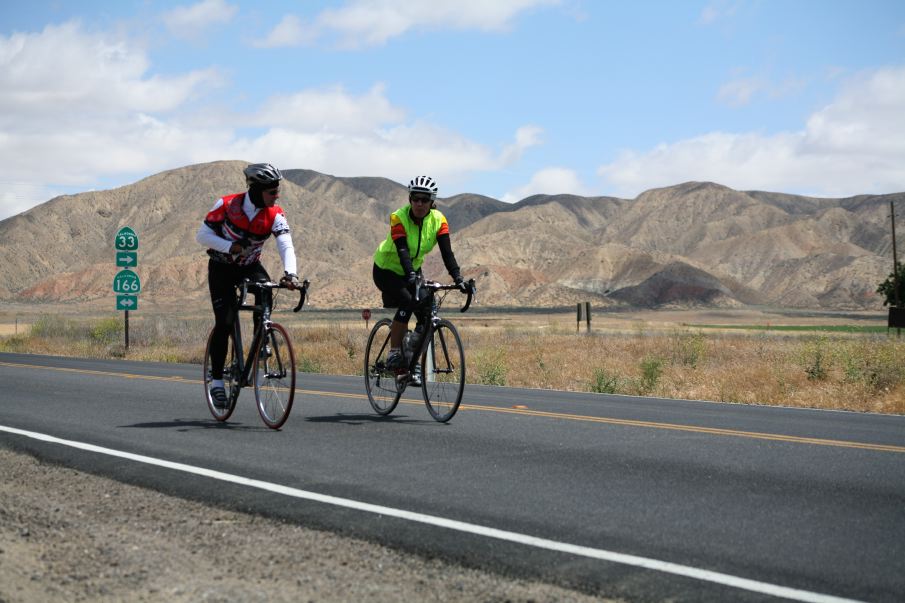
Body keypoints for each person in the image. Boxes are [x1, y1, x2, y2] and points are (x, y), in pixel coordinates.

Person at [196, 163, 301, 408]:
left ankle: (261, 338)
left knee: (265, 291)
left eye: (277, 191)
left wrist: (291, 274)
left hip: (250, 266)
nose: (277, 196)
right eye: (272, 192)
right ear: (255, 189)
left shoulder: (275, 213)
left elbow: (286, 244)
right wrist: (229, 246)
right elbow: (201, 236)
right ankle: (218, 381)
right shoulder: (226, 204)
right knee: (225, 322)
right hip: (222, 267)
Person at [372, 175, 468, 383]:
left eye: (424, 200)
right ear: (410, 199)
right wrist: (412, 277)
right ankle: (395, 352)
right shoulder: (398, 217)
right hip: (386, 269)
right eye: (415, 198)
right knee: (408, 300)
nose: (419, 203)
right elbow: (403, 249)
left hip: (412, 270)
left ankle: (411, 358)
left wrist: (458, 277)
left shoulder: (439, 220)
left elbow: (447, 253)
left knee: (427, 314)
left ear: (432, 202)